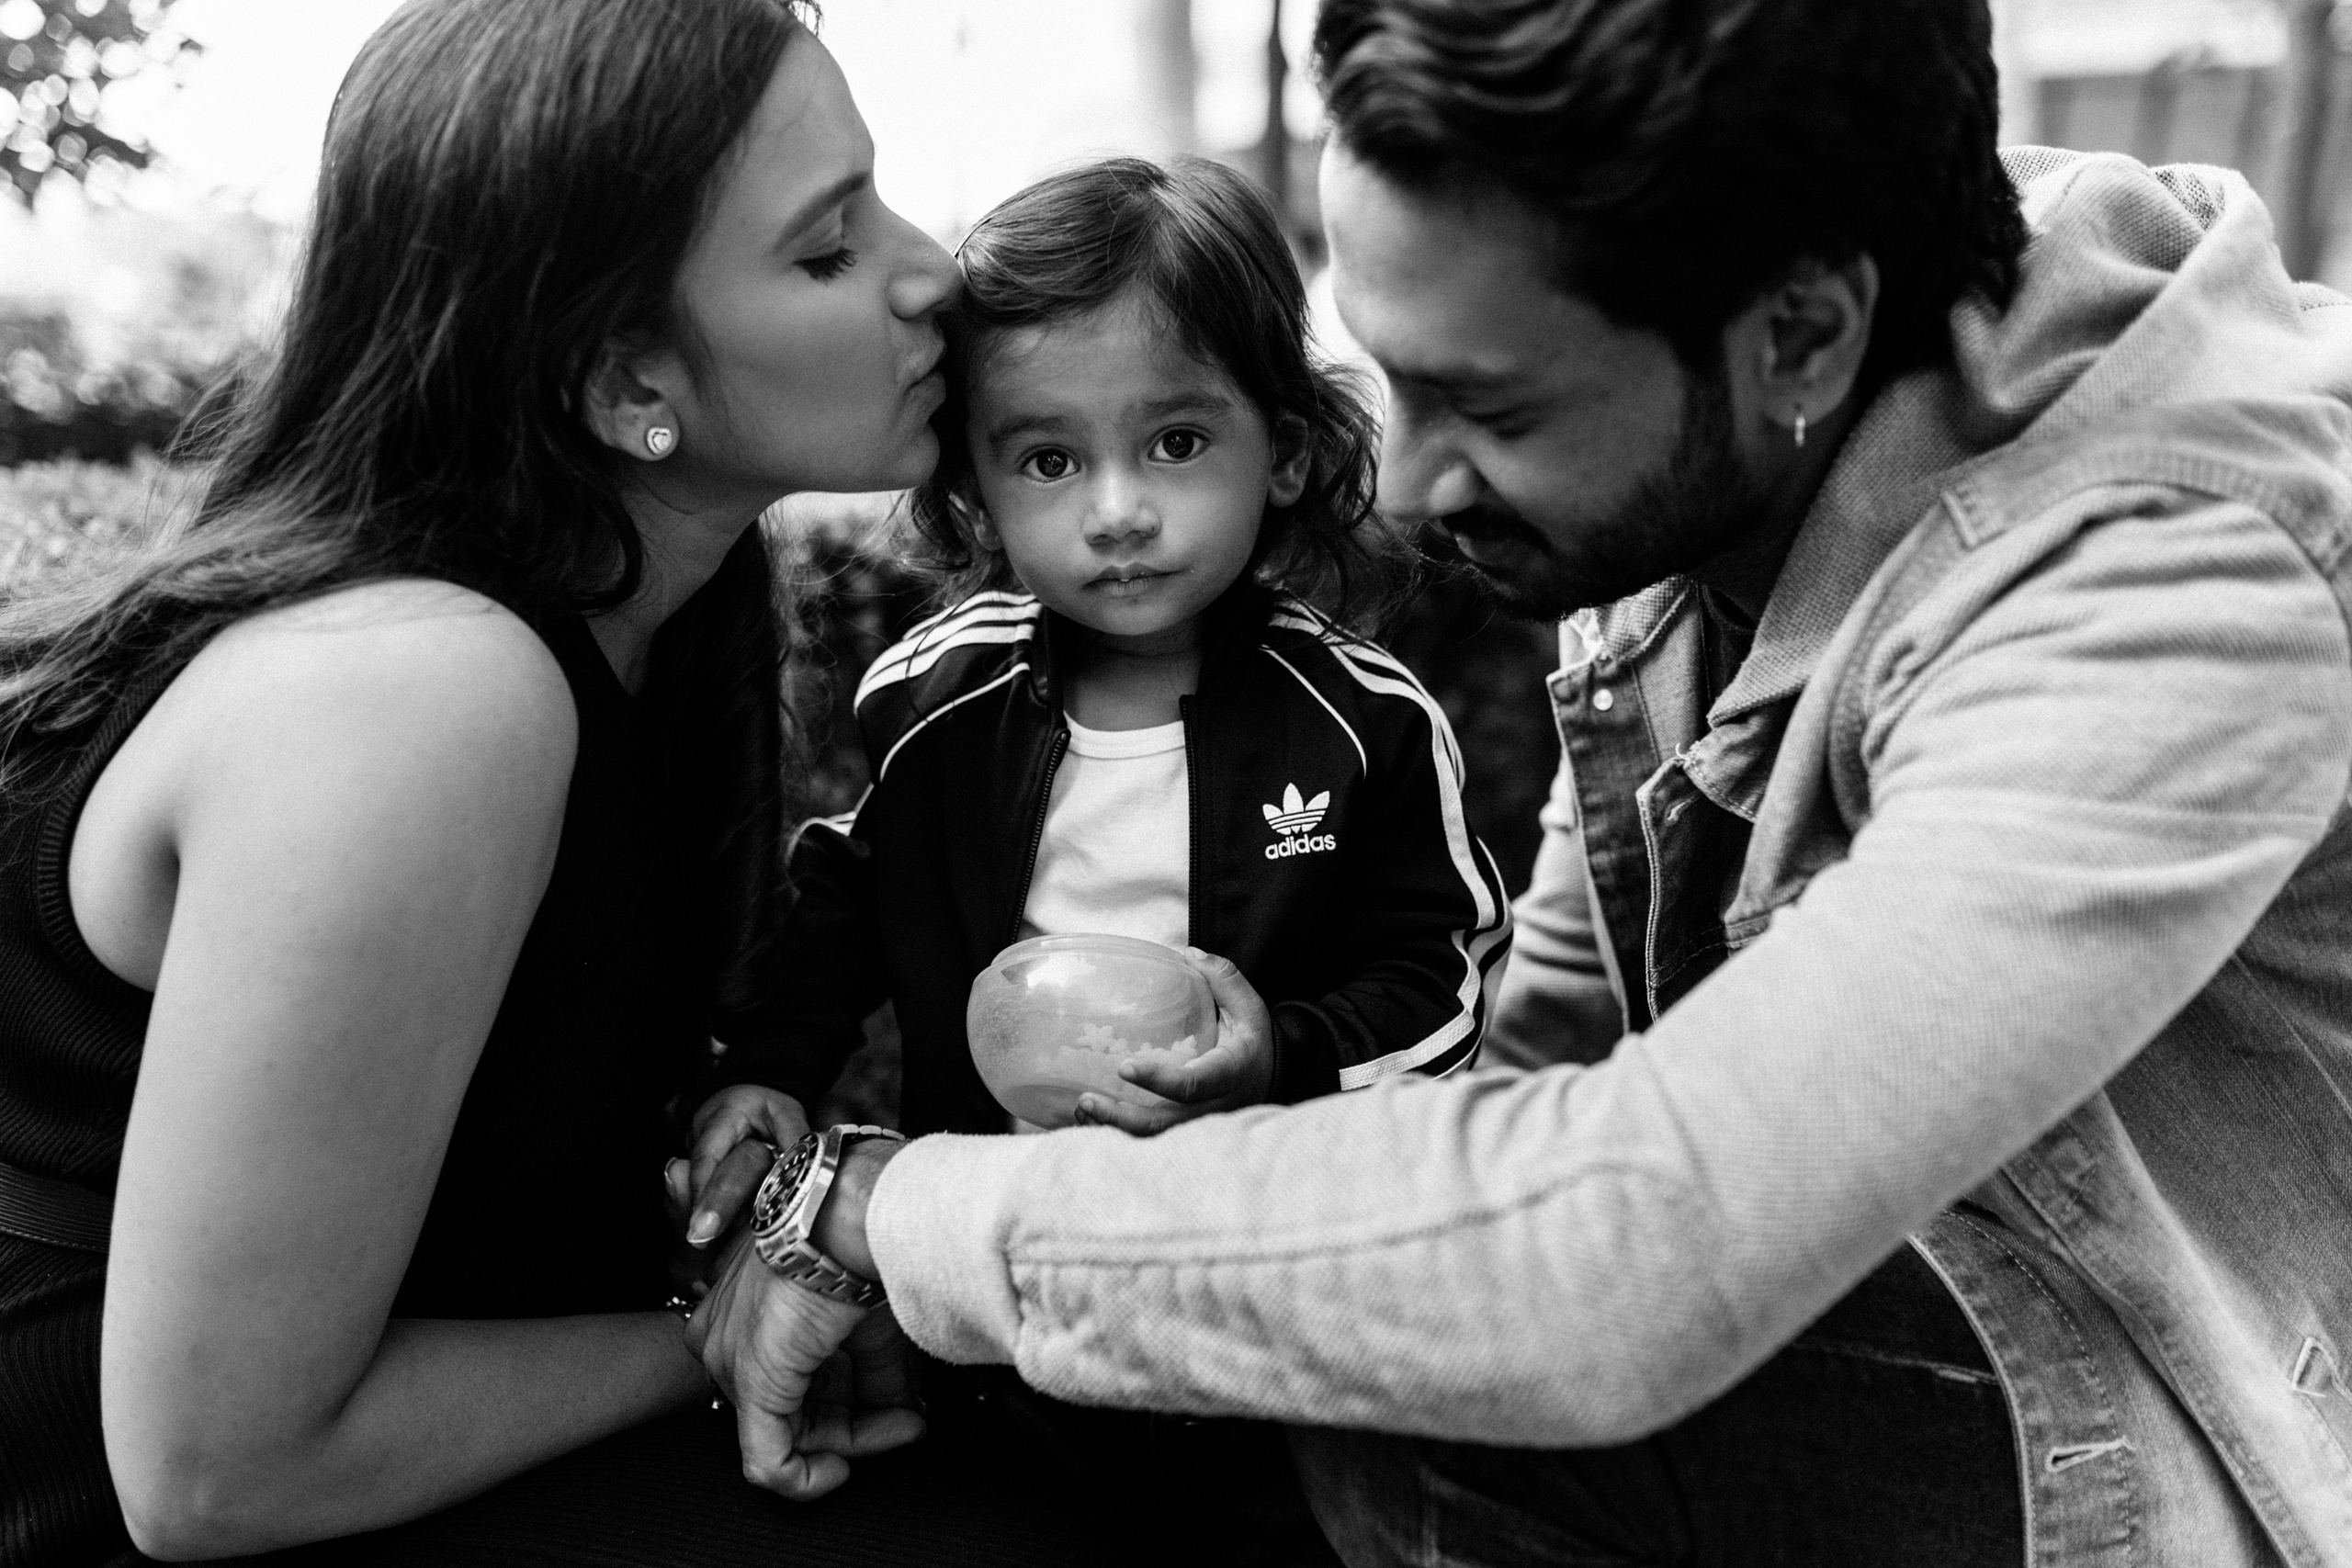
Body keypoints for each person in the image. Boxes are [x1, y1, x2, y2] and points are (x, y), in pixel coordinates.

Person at [691, 1, 2352, 1563]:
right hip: (1899, 1311)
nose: (1402, 489)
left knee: (1426, 1381)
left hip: (2179, 1438)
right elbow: (1546, 1063)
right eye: (1390, 368)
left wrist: (885, 1212)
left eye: (1487, 404)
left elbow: (1617, 1248)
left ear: (1801, 336)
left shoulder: (2171, 588)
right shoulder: (1719, 383)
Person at [0, 2, 1096, 1562]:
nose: (936, 271)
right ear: (614, 378)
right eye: (828, 249)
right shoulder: (421, 692)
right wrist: (733, 1317)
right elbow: (212, 1473)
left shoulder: (652, 613)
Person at [693, 154, 1510, 1563]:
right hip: (993, 1326)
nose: (1117, 510)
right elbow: (845, 896)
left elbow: (1443, 981)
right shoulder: (933, 701)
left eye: (1178, 443)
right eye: (1050, 458)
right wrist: (769, 1060)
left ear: (1291, 448)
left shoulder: (1366, 722)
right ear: (978, 487)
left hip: (1261, 1325)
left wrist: (1282, 1054)